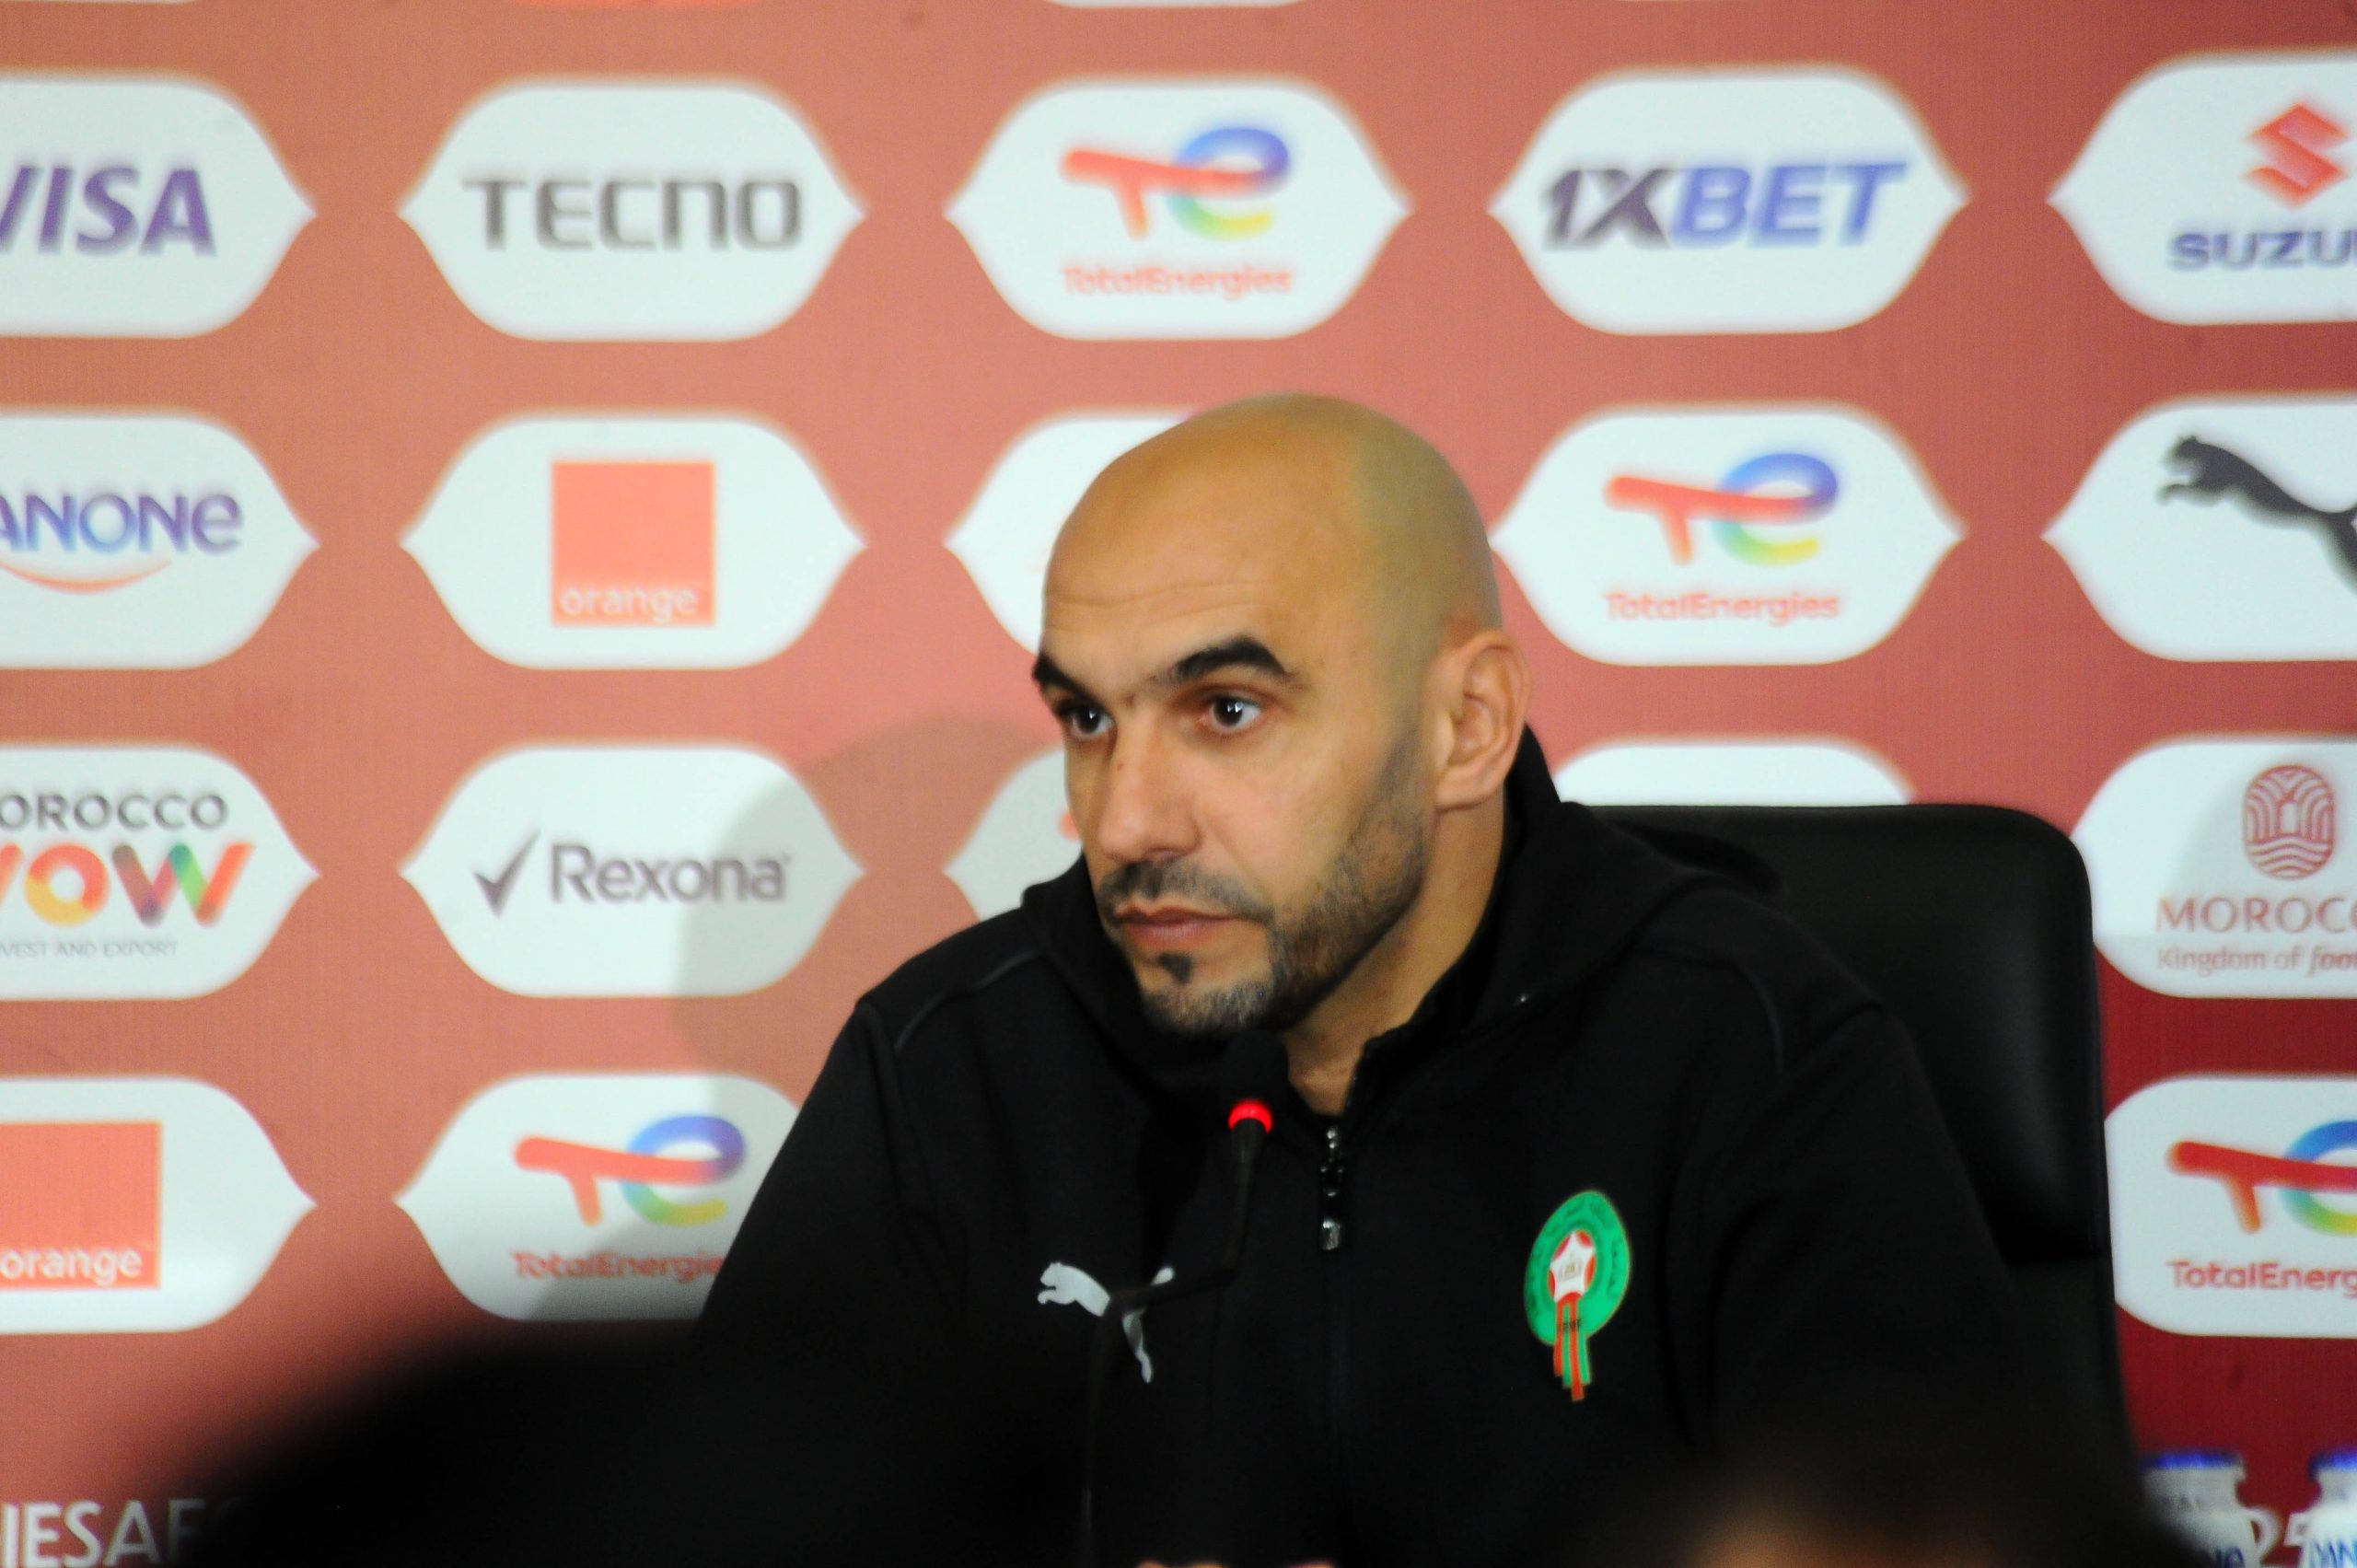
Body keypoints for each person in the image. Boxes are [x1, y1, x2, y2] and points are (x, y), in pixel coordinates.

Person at [696, 395, 2029, 1568]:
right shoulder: (953, 1069)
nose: (1126, 822)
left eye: (1227, 711)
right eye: (1089, 719)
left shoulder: (1749, 1051)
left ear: (1466, 726)